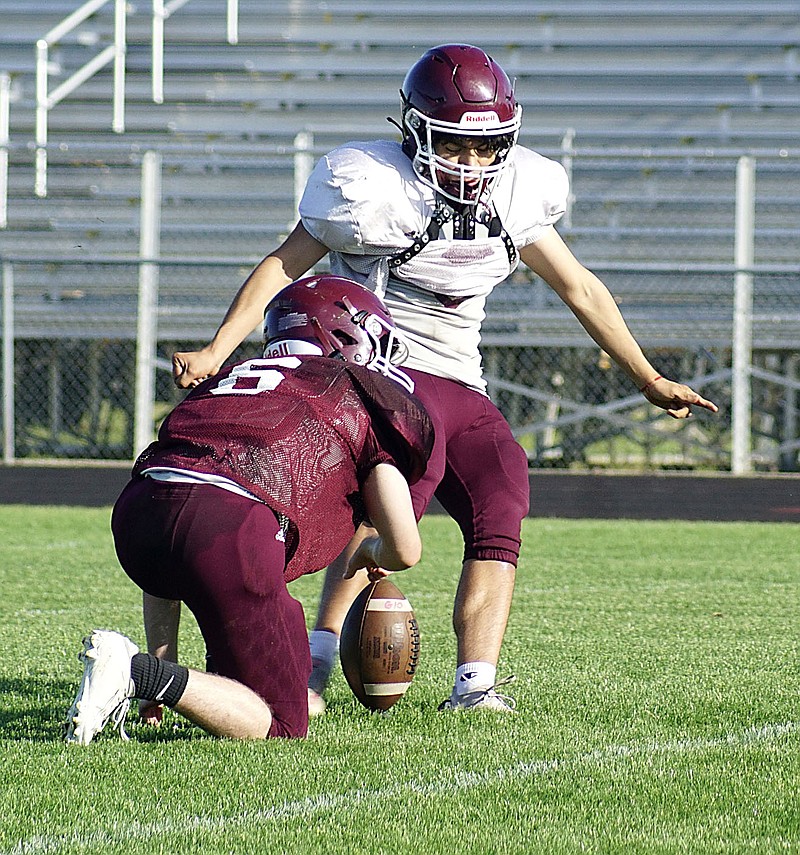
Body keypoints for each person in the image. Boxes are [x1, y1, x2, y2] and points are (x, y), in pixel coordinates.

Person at [170, 44, 719, 716]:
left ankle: (475, 682)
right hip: (382, 380)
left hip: (463, 384)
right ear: (416, 133)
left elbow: (580, 288)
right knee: (388, 525)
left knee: (503, 495)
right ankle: (312, 654)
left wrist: (647, 375)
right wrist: (218, 346)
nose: (472, 164)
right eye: (456, 147)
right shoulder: (371, 190)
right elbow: (283, 266)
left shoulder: (516, 198)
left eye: (486, 149)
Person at [64, 275, 434, 744]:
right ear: (346, 336)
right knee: (282, 723)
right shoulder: (353, 393)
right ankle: (136, 672)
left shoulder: (233, 379)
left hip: (140, 512)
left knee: (278, 685)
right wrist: (371, 552)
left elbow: (178, 504)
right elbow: (405, 547)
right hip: (228, 529)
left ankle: (153, 681)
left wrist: (161, 679)